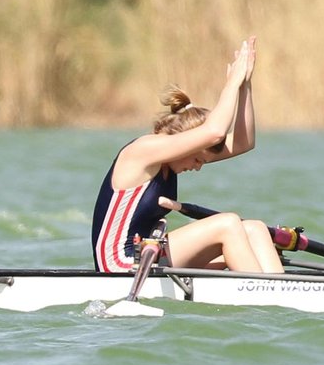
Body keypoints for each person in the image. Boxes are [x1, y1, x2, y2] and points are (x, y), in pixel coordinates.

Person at [91, 36, 283, 274]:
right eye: (197, 159)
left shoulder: (174, 159)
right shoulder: (143, 150)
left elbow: (244, 142)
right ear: (188, 142)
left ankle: (281, 295)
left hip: (151, 256)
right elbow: (214, 133)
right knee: (227, 223)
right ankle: (262, 293)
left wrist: (245, 85)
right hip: (120, 263)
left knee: (254, 229)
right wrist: (231, 84)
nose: (199, 167)